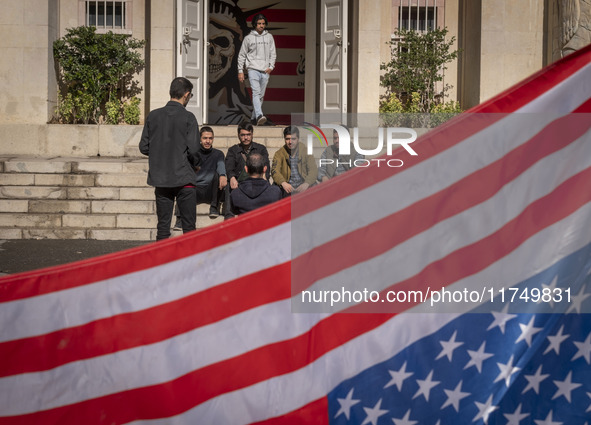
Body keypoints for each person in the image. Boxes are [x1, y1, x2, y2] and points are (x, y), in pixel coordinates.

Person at [139, 77, 200, 240]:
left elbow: (143, 147)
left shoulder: (153, 116)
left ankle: (162, 263)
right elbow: (194, 149)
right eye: (190, 95)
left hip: (161, 178)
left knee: (163, 228)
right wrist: (196, 164)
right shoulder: (189, 118)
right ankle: (191, 263)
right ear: (186, 95)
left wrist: (160, 153)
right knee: (189, 228)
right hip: (184, 177)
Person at [173, 126, 228, 229]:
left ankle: (214, 207)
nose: (208, 141)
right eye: (205, 138)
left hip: (211, 191)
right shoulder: (193, 153)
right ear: (199, 139)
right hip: (195, 190)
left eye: (210, 138)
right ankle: (180, 219)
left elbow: (221, 166)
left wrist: (222, 175)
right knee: (183, 183)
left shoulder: (218, 154)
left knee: (218, 174)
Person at [237, 13, 276, 126]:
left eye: (263, 24)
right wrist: (240, 71)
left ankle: (254, 118)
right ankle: (259, 115)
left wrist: (271, 67)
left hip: (265, 70)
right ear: (254, 24)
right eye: (259, 23)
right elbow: (242, 55)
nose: (261, 26)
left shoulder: (269, 37)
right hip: (252, 69)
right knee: (256, 93)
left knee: (261, 96)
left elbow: (273, 53)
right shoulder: (248, 38)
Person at [225, 121, 270, 218]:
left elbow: (266, 165)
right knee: (229, 183)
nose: (246, 138)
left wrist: (265, 177)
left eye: (248, 134)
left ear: (252, 134)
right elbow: (229, 167)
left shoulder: (260, 149)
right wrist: (232, 177)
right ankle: (229, 216)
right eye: (243, 135)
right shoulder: (233, 150)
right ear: (238, 135)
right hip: (240, 184)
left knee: (268, 184)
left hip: (257, 181)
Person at [271, 126, 317, 197]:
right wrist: (283, 183)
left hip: (303, 185)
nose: (290, 142)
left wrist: (307, 183)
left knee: (315, 186)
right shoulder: (279, 154)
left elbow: (313, 170)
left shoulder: (306, 152)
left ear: (298, 139)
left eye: (293, 139)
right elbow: (275, 170)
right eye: (287, 139)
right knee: (274, 188)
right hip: (287, 186)